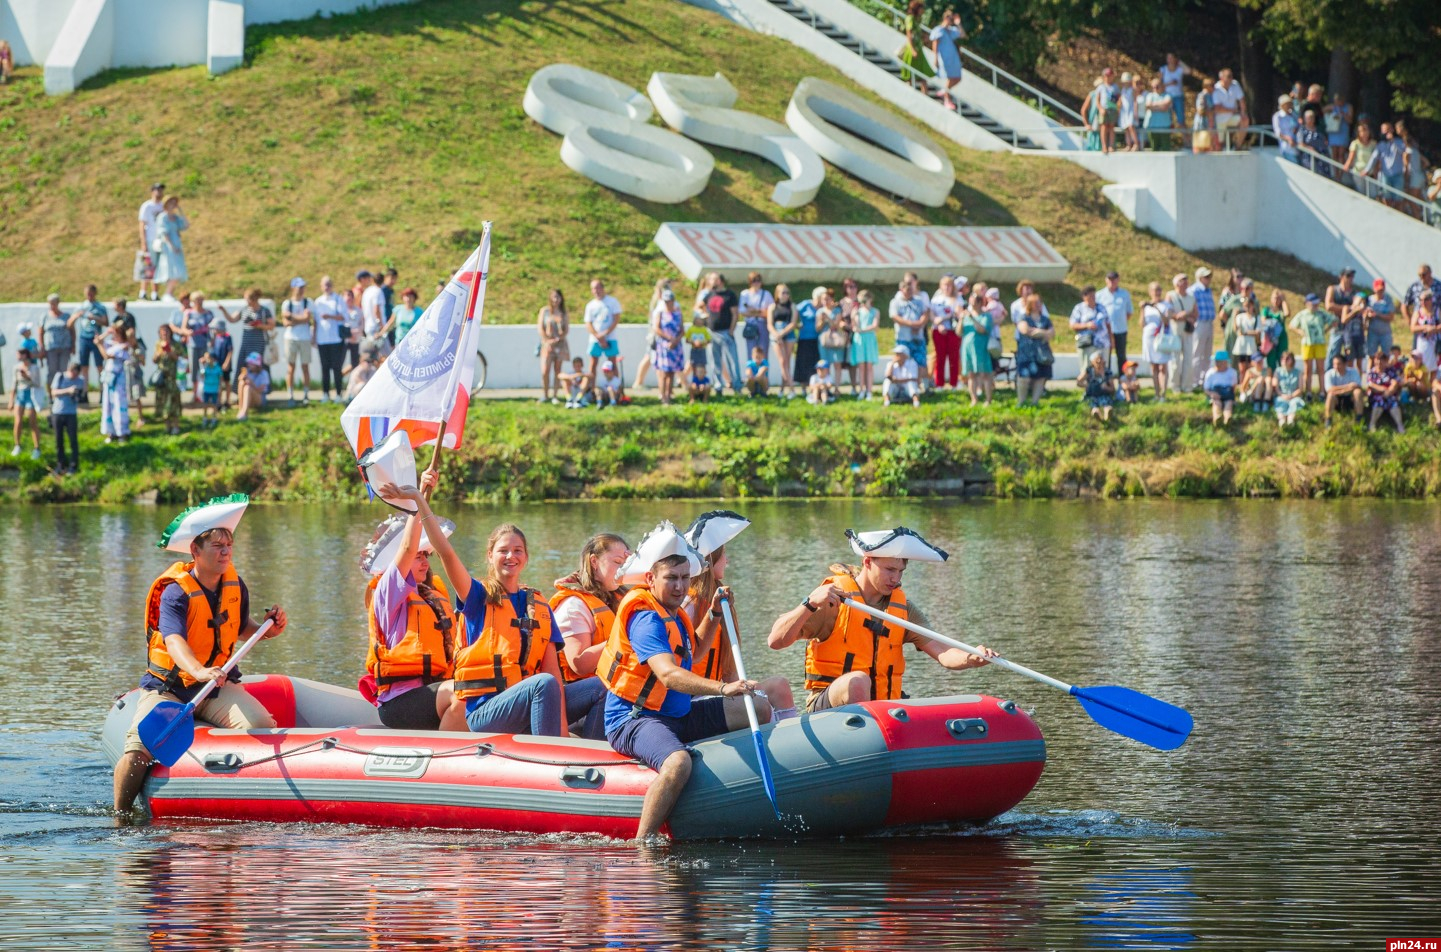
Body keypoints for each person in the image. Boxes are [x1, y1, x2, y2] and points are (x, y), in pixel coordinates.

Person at [111, 497, 287, 813]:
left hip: (215, 687)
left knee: (260, 723)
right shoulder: (176, 592)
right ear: (196, 551)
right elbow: (175, 642)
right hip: (171, 690)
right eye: (218, 546)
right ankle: (120, 815)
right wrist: (200, 670)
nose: (226, 552)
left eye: (229, 545)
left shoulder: (235, 584)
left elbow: (240, 625)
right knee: (138, 750)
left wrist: (267, 629)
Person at [597, 525, 764, 843]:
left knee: (756, 707)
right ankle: (643, 842)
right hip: (635, 719)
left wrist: (714, 613)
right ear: (650, 579)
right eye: (671, 578)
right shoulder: (646, 618)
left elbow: (696, 649)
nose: (679, 586)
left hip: (676, 715)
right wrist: (722, 688)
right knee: (677, 763)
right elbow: (669, 675)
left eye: (684, 578)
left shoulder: (675, 612)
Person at [767, 527, 992, 715]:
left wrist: (972, 658)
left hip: (884, 710)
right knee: (858, 681)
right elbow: (775, 641)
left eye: (901, 571)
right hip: (828, 707)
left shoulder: (903, 609)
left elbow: (942, 652)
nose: (896, 578)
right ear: (867, 562)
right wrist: (809, 603)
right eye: (889, 569)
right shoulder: (833, 600)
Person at [423, 515, 567, 738]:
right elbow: (446, 553)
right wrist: (420, 502)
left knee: (597, 689)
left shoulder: (539, 606)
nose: (511, 556)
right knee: (543, 684)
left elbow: (553, 672)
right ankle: (547, 756)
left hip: (529, 699)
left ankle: (593, 756)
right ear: (490, 556)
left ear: (526, 557)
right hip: (485, 712)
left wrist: (563, 732)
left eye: (518, 550)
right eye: (503, 551)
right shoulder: (477, 597)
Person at [364, 476, 468, 732]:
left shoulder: (430, 595)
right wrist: (418, 497)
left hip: (434, 691)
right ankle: (444, 761)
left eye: (427, 556)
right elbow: (408, 546)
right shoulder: (387, 591)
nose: (425, 561)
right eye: (419, 556)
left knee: (478, 686)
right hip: (400, 703)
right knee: (462, 693)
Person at [680, 511, 797, 725]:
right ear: (711, 559)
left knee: (779, 686)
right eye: (723, 554)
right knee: (757, 706)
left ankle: (791, 741)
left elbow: (730, 671)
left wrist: (742, 687)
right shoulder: (688, 604)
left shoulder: (723, 601)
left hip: (720, 691)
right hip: (692, 698)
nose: (727, 560)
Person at [550, 533, 631, 741]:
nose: (622, 569)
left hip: (616, 690)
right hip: (577, 699)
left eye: (626, 564)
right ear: (594, 562)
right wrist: (624, 637)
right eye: (617, 562)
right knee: (606, 687)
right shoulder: (573, 605)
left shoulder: (620, 599)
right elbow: (579, 663)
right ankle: (596, 750)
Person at [217, 287, 274, 391]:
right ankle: (241, 390)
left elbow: (271, 325)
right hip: (246, 344)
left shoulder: (264, 311)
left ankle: (262, 391)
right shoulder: (244, 309)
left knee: (259, 366)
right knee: (243, 366)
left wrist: (259, 325)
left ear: (253, 299)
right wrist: (223, 310)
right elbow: (232, 319)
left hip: (259, 343)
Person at [585, 279, 625, 404]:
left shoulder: (612, 302)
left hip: (610, 337)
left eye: (598, 288)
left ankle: (617, 390)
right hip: (595, 339)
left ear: (603, 288)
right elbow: (588, 323)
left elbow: (616, 319)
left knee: (612, 363)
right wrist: (598, 336)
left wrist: (605, 334)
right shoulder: (590, 305)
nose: (596, 291)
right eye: (593, 288)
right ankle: (591, 390)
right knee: (593, 364)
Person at [704, 274, 743, 396]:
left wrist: (731, 330)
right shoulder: (709, 295)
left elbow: (735, 314)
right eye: (710, 279)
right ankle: (718, 386)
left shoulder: (729, 295)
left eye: (714, 279)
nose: (711, 281)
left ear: (720, 281)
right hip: (712, 332)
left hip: (725, 332)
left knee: (732, 360)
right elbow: (701, 307)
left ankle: (737, 386)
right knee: (715, 361)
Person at [1014, 293, 1054, 406]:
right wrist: (1043, 332)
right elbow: (1025, 330)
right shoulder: (1023, 317)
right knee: (1024, 378)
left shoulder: (1045, 319)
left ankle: (1034, 402)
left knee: (1040, 378)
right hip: (1026, 354)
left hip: (1041, 354)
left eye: (1039, 303)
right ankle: (1021, 402)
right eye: (1036, 303)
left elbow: (1051, 333)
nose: (1038, 305)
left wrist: (1037, 332)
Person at [280, 277, 315, 405]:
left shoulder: (308, 302)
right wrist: (302, 318)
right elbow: (285, 322)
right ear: (293, 288)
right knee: (291, 367)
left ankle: (306, 394)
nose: (301, 290)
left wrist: (293, 318)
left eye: (303, 287)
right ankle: (290, 394)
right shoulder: (287, 303)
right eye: (299, 287)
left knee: (305, 367)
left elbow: (307, 319)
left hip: (304, 338)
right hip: (290, 339)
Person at [313, 275, 348, 404]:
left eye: (329, 284)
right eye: (324, 284)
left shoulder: (338, 299)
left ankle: (338, 393)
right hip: (322, 339)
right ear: (321, 286)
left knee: (336, 367)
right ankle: (326, 393)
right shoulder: (318, 301)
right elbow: (315, 321)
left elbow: (343, 317)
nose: (327, 287)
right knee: (325, 368)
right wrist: (314, 337)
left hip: (335, 339)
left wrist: (330, 316)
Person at [888, 279, 928, 385]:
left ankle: (919, 385)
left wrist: (919, 324)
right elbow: (895, 317)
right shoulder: (895, 302)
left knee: (920, 361)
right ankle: (904, 385)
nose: (909, 292)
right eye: (907, 290)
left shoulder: (919, 301)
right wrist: (911, 324)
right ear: (901, 289)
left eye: (911, 290)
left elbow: (925, 313)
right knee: (903, 361)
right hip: (903, 338)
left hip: (917, 338)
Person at [73, 284, 109, 398]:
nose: (89, 296)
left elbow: (106, 322)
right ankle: (85, 391)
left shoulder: (100, 307)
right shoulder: (81, 306)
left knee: (99, 366)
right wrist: (77, 316)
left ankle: (102, 391)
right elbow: (70, 322)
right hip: (84, 337)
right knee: (84, 366)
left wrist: (95, 318)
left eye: (91, 294)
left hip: (95, 338)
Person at [928, 275, 963, 391]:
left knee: (954, 357)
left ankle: (954, 382)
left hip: (953, 331)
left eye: (950, 285)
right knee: (940, 357)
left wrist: (945, 317)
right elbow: (932, 314)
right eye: (945, 285)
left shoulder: (958, 299)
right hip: (939, 331)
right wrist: (938, 324)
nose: (947, 288)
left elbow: (959, 314)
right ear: (941, 286)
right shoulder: (936, 299)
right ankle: (939, 383)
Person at [47, 360, 83, 473]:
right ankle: (60, 464)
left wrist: (76, 394)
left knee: (73, 440)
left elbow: (80, 396)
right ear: (69, 370)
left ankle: (73, 465)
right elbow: (53, 393)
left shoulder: (80, 381)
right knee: (59, 440)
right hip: (58, 412)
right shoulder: (60, 376)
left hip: (71, 413)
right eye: (72, 373)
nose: (74, 376)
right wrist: (68, 391)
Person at [927, 9, 966, 112]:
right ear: (945, 18)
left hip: (953, 58)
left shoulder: (951, 30)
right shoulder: (939, 30)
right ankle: (946, 98)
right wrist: (935, 58)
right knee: (951, 77)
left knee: (957, 77)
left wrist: (958, 23)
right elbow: (935, 44)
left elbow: (962, 34)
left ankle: (945, 91)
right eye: (949, 18)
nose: (951, 21)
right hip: (945, 58)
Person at [1139, 282, 1172, 399]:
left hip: (1162, 338)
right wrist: (1142, 309)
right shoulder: (1146, 307)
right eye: (1154, 290)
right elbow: (1142, 324)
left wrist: (1157, 308)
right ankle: (1156, 393)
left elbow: (1167, 321)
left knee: (1163, 366)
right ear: (1150, 292)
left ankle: (1164, 393)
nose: (1156, 293)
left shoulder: (1166, 305)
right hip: (1149, 337)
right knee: (1154, 367)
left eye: (1158, 290)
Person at [1095, 271, 1133, 375]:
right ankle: (1107, 380)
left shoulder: (1124, 294)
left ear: (1118, 280)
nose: (1112, 281)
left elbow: (1129, 313)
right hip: (1105, 332)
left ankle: (1123, 381)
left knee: (1121, 356)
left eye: (1114, 279)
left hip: (1120, 329)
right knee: (1106, 357)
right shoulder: (1099, 295)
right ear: (1106, 280)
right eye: (1110, 279)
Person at [99, 327, 132, 444]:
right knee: (108, 405)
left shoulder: (124, 346)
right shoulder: (110, 344)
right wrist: (106, 333)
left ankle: (122, 432)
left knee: (119, 404)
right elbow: (98, 341)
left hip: (118, 379)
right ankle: (111, 432)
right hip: (109, 379)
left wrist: (100, 346)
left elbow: (108, 356)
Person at [652, 291, 685, 406]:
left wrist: (676, 340)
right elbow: (656, 328)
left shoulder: (678, 314)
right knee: (663, 372)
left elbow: (682, 330)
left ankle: (668, 394)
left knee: (671, 372)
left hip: (675, 345)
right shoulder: (660, 313)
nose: (668, 304)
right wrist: (669, 338)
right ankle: (663, 396)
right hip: (664, 345)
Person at [537, 288, 569, 405]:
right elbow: (540, 327)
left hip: (560, 344)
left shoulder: (563, 312)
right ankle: (545, 394)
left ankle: (555, 395)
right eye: (554, 297)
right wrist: (547, 340)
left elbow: (566, 330)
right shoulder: (544, 311)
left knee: (557, 370)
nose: (556, 300)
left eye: (558, 297)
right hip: (547, 344)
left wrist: (558, 339)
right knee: (545, 370)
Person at [153, 196, 188, 300]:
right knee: (171, 269)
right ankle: (168, 293)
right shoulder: (162, 217)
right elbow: (164, 233)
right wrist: (171, 246)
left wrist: (181, 211)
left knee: (178, 270)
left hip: (177, 245)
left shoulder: (175, 217)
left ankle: (170, 293)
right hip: (169, 247)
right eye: (171, 203)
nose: (173, 205)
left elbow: (185, 225)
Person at [9, 349, 41, 459]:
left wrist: (27, 377)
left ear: (25, 355)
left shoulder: (34, 367)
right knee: (18, 421)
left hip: (31, 394)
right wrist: (11, 400)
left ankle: (37, 448)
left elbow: (37, 383)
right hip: (20, 395)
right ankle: (17, 445)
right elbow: (14, 384)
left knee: (32, 422)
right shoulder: (16, 367)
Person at [768, 284, 798, 399]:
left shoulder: (792, 306)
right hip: (776, 334)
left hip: (788, 333)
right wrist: (777, 335)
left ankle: (782, 388)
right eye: (783, 293)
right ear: (777, 294)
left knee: (786, 362)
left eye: (787, 293)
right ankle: (792, 389)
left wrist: (783, 333)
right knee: (782, 362)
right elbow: (769, 324)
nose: (785, 295)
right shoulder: (773, 307)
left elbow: (793, 323)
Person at [737, 272, 773, 371]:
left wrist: (754, 311)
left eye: (758, 281)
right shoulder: (745, 294)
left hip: (762, 324)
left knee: (763, 350)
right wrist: (758, 311)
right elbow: (743, 312)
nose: (756, 283)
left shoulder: (766, 294)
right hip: (750, 325)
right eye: (754, 281)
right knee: (751, 351)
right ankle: (751, 375)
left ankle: (763, 376)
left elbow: (770, 312)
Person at [1069, 285, 1110, 370]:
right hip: (1086, 343)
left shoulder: (1101, 308)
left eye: (1094, 295)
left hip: (1102, 343)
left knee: (1103, 369)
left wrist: (1111, 340)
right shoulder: (1079, 308)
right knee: (1087, 369)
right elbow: (1073, 325)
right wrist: (1087, 325)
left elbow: (1108, 324)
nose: (1093, 298)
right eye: (1091, 296)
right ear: (1084, 296)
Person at [152, 324, 183, 435]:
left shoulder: (176, 344)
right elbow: (154, 360)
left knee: (174, 403)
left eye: (166, 332)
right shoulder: (158, 344)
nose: (164, 334)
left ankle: (176, 426)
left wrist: (169, 351)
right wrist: (158, 353)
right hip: (162, 378)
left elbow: (180, 358)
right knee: (163, 402)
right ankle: (167, 426)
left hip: (173, 378)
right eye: (162, 332)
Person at [137, 183, 165, 301]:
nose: (159, 192)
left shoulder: (163, 206)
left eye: (161, 190)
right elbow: (142, 224)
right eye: (157, 190)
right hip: (150, 239)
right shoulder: (147, 206)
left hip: (160, 240)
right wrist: (143, 242)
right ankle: (143, 292)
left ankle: (155, 293)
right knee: (147, 266)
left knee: (158, 266)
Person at [897, 0, 935, 89]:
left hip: (918, 48)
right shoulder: (910, 18)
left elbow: (917, 34)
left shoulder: (917, 20)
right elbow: (909, 35)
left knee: (923, 74)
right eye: (921, 8)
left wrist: (924, 38)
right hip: (912, 49)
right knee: (910, 74)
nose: (923, 11)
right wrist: (912, 49)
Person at [849, 289, 879, 400]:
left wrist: (863, 330)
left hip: (870, 339)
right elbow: (855, 326)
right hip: (860, 340)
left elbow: (875, 325)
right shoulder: (857, 311)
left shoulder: (875, 311)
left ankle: (869, 391)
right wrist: (853, 316)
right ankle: (862, 390)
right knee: (861, 367)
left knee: (869, 366)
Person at [1211, 68, 1249, 151]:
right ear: (1222, 78)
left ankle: (1238, 146)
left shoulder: (1235, 85)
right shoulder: (1216, 89)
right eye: (1228, 76)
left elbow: (1241, 100)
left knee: (1245, 120)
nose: (1231, 78)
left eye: (1231, 76)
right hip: (1219, 119)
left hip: (1232, 117)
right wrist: (1232, 110)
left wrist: (1243, 113)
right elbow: (1217, 108)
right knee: (1219, 144)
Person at [1366, 351, 1404, 433]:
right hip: (1376, 396)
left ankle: (1400, 425)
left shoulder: (1390, 371)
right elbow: (1371, 385)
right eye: (1377, 359)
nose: (1379, 362)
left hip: (1389, 395)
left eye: (1382, 360)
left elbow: (1395, 382)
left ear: (1385, 361)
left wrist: (1389, 391)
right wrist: (1383, 389)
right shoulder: (1372, 372)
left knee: (1394, 403)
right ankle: (1372, 424)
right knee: (1379, 401)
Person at [794, 286, 824, 388]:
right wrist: (796, 325)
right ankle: (803, 387)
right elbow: (793, 311)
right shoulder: (806, 304)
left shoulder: (822, 308)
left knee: (814, 364)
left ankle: (814, 387)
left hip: (817, 339)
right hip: (804, 339)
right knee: (803, 363)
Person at [1323, 354, 1365, 426]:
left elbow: (1357, 386)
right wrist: (1347, 387)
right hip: (1336, 400)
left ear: (1345, 364)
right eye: (1334, 364)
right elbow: (1329, 389)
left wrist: (1338, 390)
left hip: (1350, 398)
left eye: (1339, 364)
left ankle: (1359, 418)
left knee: (1358, 392)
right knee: (1330, 395)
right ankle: (1328, 420)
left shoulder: (1353, 372)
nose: (1336, 367)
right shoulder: (1329, 374)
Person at [41, 293, 73, 386]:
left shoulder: (66, 316)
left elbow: (72, 331)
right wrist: (42, 347)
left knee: (63, 370)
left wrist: (73, 345)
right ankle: (51, 393)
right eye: (50, 303)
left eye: (53, 303)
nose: (52, 306)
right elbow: (41, 332)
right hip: (51, 348)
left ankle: (62, 390)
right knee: (52, 370)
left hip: (64, 347)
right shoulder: (45, 316)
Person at [1078, 351, 1115, 421]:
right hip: (1091, 395)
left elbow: (1112, 389)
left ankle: (1107, 413)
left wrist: (1106, 387)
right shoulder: (1089, 371)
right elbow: (1078, 382)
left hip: (1104, 394)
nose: (1099, 361)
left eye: (1101, 359)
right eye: (1097, 359)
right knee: (1093, 405)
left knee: (1106, 404)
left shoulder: (1107, 372)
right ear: (1092, 362)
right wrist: (1087, 385)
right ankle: (1096, 413)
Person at [1203, 351, 1237, 425]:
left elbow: (1234, 387)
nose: (1219, 364)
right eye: (1217, 362)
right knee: (1216, 404)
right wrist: (1211, 394)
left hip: (1227, 393)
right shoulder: (1210, 373)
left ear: (1226, 362)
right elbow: (1206, 389)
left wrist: (1232, 395)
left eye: (1221, 362)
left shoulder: (1232, 372)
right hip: (1215, 393)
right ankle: (1217, 417)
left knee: (1229, 404)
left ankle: (1227, 418)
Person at [1260, 289, 1290, 373]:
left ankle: (1282, 379)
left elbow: (1287, 313)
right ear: (1271, 299)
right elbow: (1263, 321)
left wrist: (1284, 300)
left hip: (1281, 338)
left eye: (1278, 298)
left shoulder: (1281, 311)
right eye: (1274, 298)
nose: (1276, 300)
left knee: (1282, 358)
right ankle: (1272, 380)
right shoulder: (1266, 310)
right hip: (1270, 339)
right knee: (1271, 361)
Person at [1141, 76, 1174, 151]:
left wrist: (1154, 106)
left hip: (1164, 126)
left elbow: (1165, 107)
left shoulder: (1167, 95)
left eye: (1157, 86)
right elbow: (1148, 106)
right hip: (1152, 126)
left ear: (1162, 86)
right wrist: (1160, 106)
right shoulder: (1150, 95)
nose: (1155, 88)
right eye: (1153, 87)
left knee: (1166, 148)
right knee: (1154, 149)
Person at [1273, 351, 1305, 426]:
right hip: (1282, 396)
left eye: (1287, 359)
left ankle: (1291, 421)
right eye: (1283, 359)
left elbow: (1301, 389)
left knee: (1294, 403)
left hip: (1294, 396)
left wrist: (1292, 396)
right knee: (1280, 403)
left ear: (1292, 360)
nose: (1284, 361)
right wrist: (1282, 395)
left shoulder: (1298, 372)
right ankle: (1282, 421)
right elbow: (1276, 388)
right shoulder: (1278, 371)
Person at [235, 353, 269, 421]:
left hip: (259, 399)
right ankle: (241, 409)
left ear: (257, 365)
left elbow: (260, 390)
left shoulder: (264, 374)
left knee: (248, 388)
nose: (248, 364)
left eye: (251, 363)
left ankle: (245, 413)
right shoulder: (247, 372)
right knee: (242, 383)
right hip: (249, 399)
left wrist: (251, 383)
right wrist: (241, 379)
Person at [1159, 53, 1190, 130]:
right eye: (1168, 58)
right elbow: (1159, 85)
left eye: (1172, 58)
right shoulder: (1163, 69)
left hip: (1178, 97)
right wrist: (1170, 83)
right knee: (1168, 120)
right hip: (1167, 97)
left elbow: (1189, 71)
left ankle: (1186, 140)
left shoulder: (1179, 69)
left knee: (1181, 120)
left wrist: (1179, 62)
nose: (1170, 60)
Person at [1324, 94, 1353, 165]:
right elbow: (1323, 110)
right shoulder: (1332, 107)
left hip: (1343, 132)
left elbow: (1350, 121)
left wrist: (1343, 114)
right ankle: (1336, 173)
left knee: (1341, 154)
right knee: (1334, 154)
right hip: (1333, 132)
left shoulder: (1348, 107)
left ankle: (1341, 173)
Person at [198, 351, 221, 429]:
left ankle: (214, 418)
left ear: (212, 359)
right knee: (205, 404)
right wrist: (202, 365)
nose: (206, 360)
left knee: (214, 404)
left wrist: (220, 388)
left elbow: (220, 379)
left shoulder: (218, 368)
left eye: (208, 358)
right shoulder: (205, 368)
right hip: (206, 389)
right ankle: (205, 418)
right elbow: (201, 376)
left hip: (214, 389)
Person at [1273, 94, 1299, 162]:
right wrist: (1288, 139)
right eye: (1287, 104)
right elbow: (1278, 132)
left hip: (1296, 147)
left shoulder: (1294, 115)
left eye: (1290, 103)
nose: (1289, 106)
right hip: (1285, 148)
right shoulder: (1277, 116)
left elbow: (1298, 127)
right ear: (1282, 105)